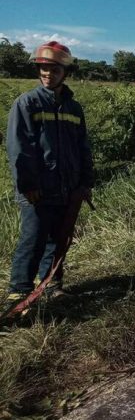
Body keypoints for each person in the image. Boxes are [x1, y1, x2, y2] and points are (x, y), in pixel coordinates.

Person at [4, 41, 94, 306]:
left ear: (65, 72)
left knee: (59, 238)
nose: (47, 74)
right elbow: (19, 149)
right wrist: (28, 184)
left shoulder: (73, 108)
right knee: (33, 239)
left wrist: (85, 182)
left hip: (67, 187)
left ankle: (52, 285)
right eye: (42, 69)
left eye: (53, 69)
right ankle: (19, 293)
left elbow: (82, 147)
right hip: (37, 189)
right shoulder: (27, 103)